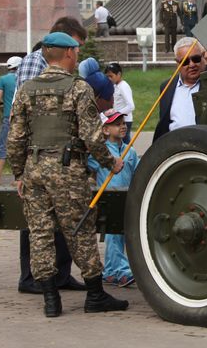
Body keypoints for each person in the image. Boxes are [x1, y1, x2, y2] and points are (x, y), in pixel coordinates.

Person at [7, 31, 128, 317]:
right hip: (68, 171)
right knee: (80, 230)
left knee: (40, 233)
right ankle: (95, 295)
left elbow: (15, 137)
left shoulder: (26, 89)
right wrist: (110, 162)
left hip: (35, 170)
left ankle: (51, 300)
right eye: (76, 51)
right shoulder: (79, 89)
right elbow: (92, 136)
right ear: (69, 53)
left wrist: (19, 174)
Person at [14, 17, 89, 296]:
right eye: (76, 46)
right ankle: (31, 277)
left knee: (63, 216)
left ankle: (61, 275)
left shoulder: (67, 73)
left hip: (61, 155)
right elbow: (24, 114)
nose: (78, 53)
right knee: (37, 223)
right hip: (39, 154)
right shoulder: (34, 64)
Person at [88, 110, 139, 288]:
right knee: (113, 237)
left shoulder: (130, 151)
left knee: (122, 236)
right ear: (105, 130)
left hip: (126, 199)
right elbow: (87, 165)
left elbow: (137, 173)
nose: (122, 126)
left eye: (123, 123)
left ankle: (110, 271)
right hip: (108, 200)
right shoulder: (101, 153)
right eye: (117, 124)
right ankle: (121, 271)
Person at [154, 37, 205, 140]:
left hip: (206, 145)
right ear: (177, 63)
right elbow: (164, 122)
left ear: (203, 56)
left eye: (196, 59)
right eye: (185, 61)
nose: (192, 65)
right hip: (176, 145)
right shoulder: (166, 87)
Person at [0, 55, 22, 185]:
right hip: (23, 117)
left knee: (1, 147)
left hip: (9, 117)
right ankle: (19, 179)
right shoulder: (24, 78)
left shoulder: (3, 79)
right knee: (21, 147)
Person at [105, 63, 135, 144]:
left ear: (119, 74)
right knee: (119, 143)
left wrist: (117, 113)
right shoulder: (115, 86)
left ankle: (130, 153)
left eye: (111, 76)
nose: (109, 78)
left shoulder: (123, 86)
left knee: (125, 144)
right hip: (118, 120)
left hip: (125, 121)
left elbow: (131, 106)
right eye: (107, 76)